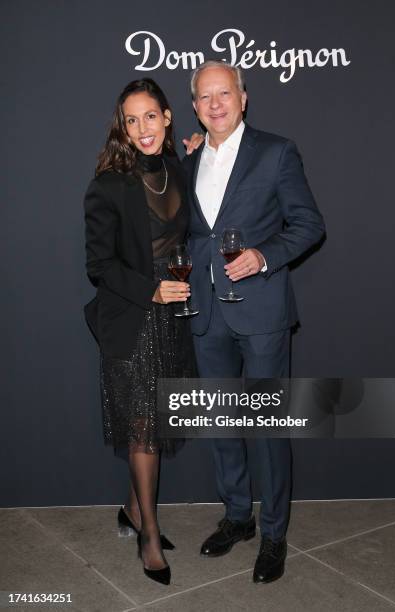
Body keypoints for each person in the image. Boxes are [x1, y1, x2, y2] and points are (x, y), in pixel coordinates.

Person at [182, 60, 325, 584]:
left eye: (225, 93)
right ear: (195, 106)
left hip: (261, 312)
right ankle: (237, 517)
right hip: (206, 311)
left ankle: (273, 534)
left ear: (243, 98)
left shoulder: (276, 151)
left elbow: (309, 224)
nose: (215, 103)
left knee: (266, 428)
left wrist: (265, 256)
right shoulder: (188, 157)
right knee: (221, 423)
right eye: (205, 96)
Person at [83, 78, 196, 586]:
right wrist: (150, 290)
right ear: (121, 127)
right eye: (131, 120)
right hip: (132, 320)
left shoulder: (177, 170)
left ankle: (132, 508)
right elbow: (99, 265)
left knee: (158, 422)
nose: (142, 128)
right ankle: (149, 533)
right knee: (143, 432)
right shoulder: (107, 184)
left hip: (173, 322)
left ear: (168, 117)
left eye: (150, 116)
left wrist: (193, 149)